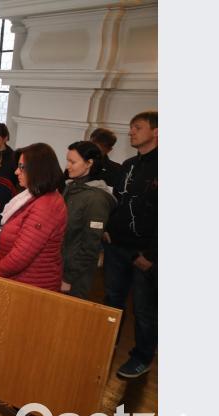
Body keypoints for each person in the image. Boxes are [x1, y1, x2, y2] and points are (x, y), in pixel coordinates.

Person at [103, 111, 157, 379]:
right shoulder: (128, 164)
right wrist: (108, 228)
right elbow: (119, 202)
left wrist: (151, 255)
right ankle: (105, 342)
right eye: (131, 127)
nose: (131, 131)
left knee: (144, 310)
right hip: (116, 246)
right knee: (113, 299)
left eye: (138, 127)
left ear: (156, 132)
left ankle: (142, 357)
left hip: (144, 254)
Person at [0, 143, 67, 291]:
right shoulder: (32, 195)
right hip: (17, 280)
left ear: (37, 170)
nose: (16, 172)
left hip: (30, 286)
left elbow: (19, 258)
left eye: (21, 167)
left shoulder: (46, 205)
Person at [61, 141, 117, 299]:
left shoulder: (96, 198)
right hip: (60, 265)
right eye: (67, 160)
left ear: (89, 163)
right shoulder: (71, 187)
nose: (67, 166)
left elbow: (90, 247)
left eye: (73, 162)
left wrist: (68, 278)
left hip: (75, 276)